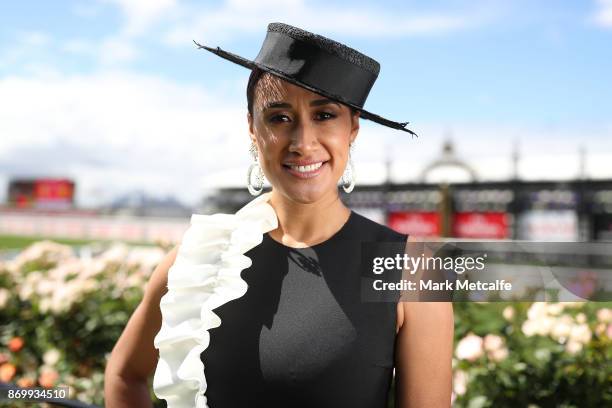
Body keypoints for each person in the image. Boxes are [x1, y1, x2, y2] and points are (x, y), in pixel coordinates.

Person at [104, 22, 453, 408]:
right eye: (279, 118)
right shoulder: (200, 258)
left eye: (324, 116)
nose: (303, 143)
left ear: (353, 128)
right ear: (253, 130)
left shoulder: (411, 269)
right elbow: (126, 376)